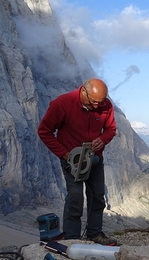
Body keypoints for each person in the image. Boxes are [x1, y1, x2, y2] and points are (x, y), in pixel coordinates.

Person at [38, 78, 117, 245]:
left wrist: (102, 139)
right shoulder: (63, 103)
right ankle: (72, 238)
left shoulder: (106, 105)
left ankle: (94, 234)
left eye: (100, 102)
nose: (97, 106)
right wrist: (64, 154)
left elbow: (111, 129)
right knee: (75, 197)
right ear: (83, 91)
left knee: (97, 196)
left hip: (94, 158)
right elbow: (44, 131)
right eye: (94, 101)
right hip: (71, 159)